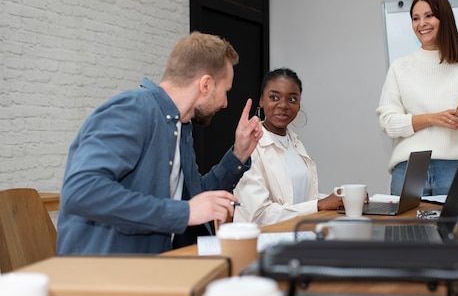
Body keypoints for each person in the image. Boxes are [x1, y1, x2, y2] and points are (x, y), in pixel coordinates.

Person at [56, 32, 263, 255]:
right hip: (105, 273)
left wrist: (239, 155)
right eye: (225, 91)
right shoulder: (134, 109)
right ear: (205, 84)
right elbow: (81, 191)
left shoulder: (180, 126)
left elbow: (195, 200)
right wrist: (183, 213)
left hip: (156, 264)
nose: (224, 103)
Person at [377, 0, 458, 196]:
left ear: (444, 18)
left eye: (429, 16)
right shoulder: (400, 67)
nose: (422, 24)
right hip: (410, 167)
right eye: (415, 18)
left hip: (455, 165)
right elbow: (388, 121)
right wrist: (432, 119)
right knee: (408, 228)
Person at [232, 68, 343, 226]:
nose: (283, 105)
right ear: (262, 100)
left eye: (292, 99)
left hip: (296, 237)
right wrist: (319, 205)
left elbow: (301, 199)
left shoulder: (294, 142)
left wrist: (341, 198)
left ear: (299, 104)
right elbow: (259, 216)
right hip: (260, 243)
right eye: (274, 97)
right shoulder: (249, 147)